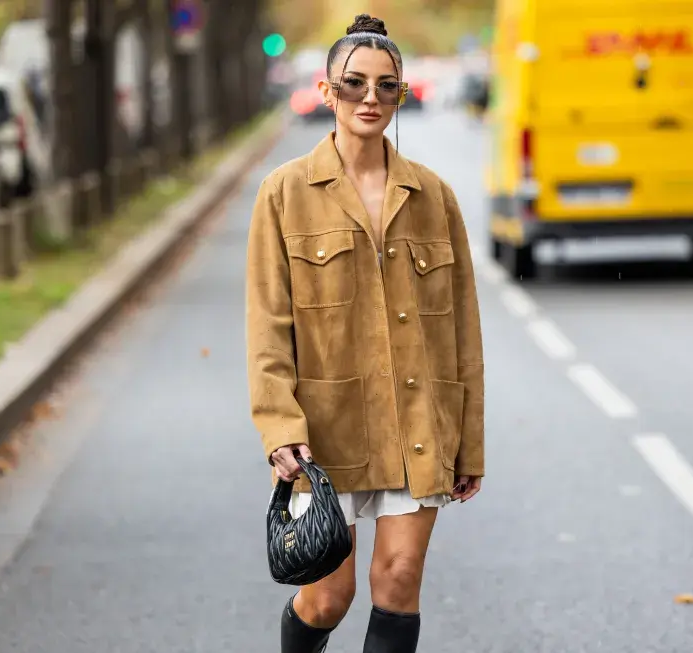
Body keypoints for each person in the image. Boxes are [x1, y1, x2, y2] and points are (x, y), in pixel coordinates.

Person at [246, 13, 485, 653]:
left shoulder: (434, 197)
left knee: (399, 578)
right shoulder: (283, 195)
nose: (370, 98)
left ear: (402, 94)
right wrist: (279, 431)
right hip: (325, 430)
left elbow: (463, 333)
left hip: (417, 423)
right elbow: (268, 329)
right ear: (327, 92)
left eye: (386, 85)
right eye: (354, 84)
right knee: (329, 595)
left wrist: (470, 444)